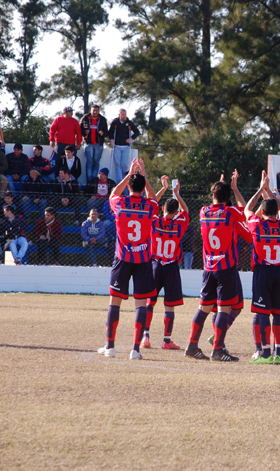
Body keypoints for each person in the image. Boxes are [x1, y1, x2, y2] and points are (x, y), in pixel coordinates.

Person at [96, 158, 159, 360]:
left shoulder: (121, 203)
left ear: (129, 186)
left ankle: (110, 347)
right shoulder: (150, 206)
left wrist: (129, 174)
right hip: (142, 259)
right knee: (141, 304)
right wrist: (144, 175)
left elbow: (113, 193)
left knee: (115, 301)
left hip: (122, 257)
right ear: (143, 187)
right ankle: (135, 350)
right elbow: (153, 198)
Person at [186, 171, 250, 361]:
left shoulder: (203, 211)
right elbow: (244, 209)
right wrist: (235, 187)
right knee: (224, 309)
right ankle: (218, 350)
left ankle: (192, 346)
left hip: (208, 267)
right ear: (227, 197)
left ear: (212, 195)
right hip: (226, 267)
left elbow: (218, 205)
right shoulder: (230, 213)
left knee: (203, 308)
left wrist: (222, 185)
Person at [245, 171, 280, 365]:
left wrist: (261, 189)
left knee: (262, 312)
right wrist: (271, 196)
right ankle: (278, 353)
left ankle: (264, 353)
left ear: (262, 212)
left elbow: (247, 209)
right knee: (279, 314)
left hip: (263, 271)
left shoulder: (257, 225)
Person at [141, 177, 190, 351]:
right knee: (169, 305)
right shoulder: (179, 224)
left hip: (155, 265)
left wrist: (163, 189)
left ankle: (145, 336)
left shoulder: (154, 221)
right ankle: (166, 340)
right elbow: (187, 211)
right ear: (176, 212)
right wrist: (176, 193)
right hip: (171, 267)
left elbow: (151, 201)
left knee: (150, 301)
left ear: (162, 209)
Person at [108, 109, 141, 182]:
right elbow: (110, 132)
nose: (124, 116)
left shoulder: (129, 123)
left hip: (126, 147)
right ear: (119, 115)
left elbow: (137, 132)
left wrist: (131, 139)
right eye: (123, 114)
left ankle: (126, 180)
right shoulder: (115, 122)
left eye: (125, 114)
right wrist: (111, 139)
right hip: (117, 146)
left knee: (125, 165)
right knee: (117, 165)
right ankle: (120, 180)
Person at [80, 104, 109, 181]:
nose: (95, 112)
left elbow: (107, 132)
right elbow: (79, 129)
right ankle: (89, 180)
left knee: (96, 162)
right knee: (89, 162)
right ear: (91, 111)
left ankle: (94, 180)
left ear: (99, 111)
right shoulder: (85, 118)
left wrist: (103, 133)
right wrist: (84, 132)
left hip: (98, 144)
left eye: (97, 111)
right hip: (88, 143)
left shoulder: (102, 119)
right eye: (94, 110)